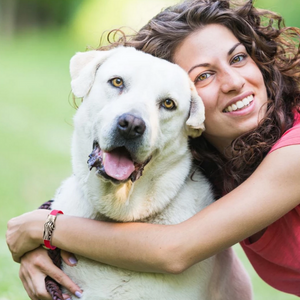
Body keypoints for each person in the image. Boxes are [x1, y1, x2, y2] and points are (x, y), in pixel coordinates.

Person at [6, 0, 300, 299]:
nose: (234, 82)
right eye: (203, 75)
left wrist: (44, 228)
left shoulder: (295, 152)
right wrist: (41, 233)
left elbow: (174, 250)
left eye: (238, 58)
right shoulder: (218, 161)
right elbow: (94, 186)